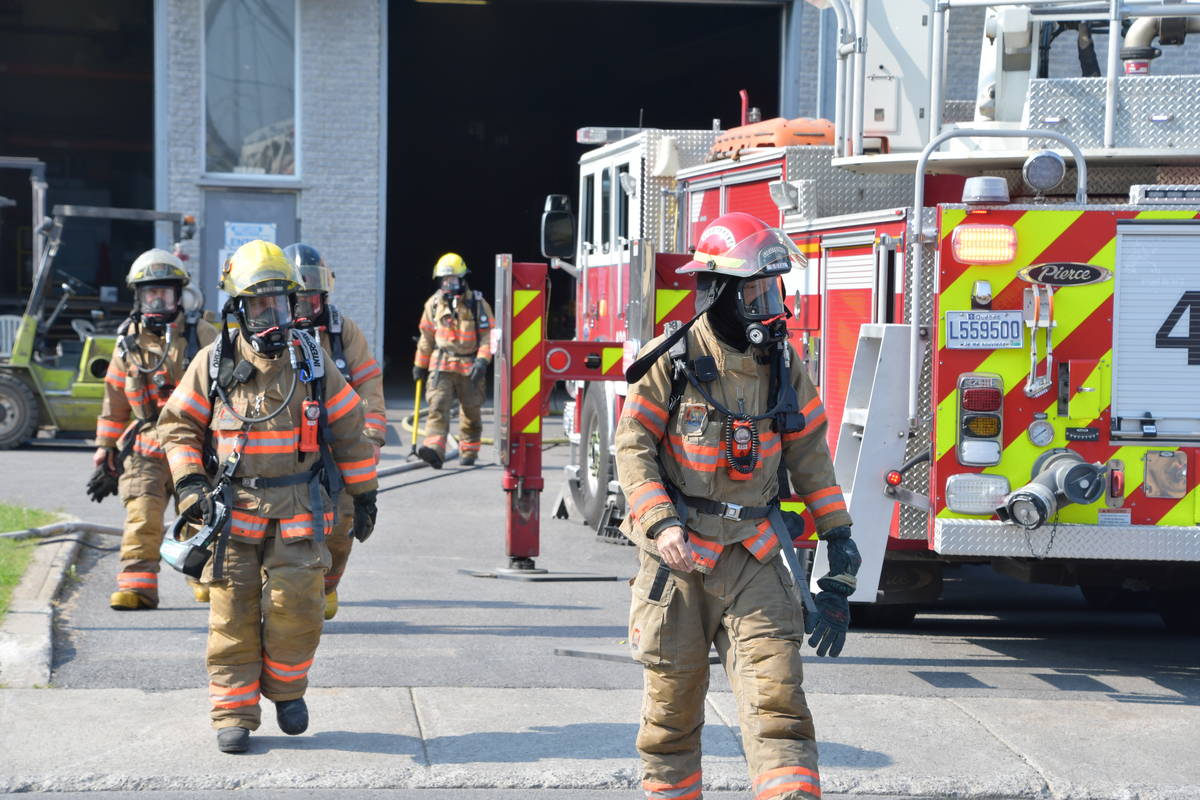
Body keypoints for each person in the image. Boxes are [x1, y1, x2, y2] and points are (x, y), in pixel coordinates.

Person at [616, 212, 861, 800]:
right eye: (756, 291)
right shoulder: (671, 362)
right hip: (677, 564)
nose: (769, 304)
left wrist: (837, 534)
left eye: (774, 289)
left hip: (754, 555)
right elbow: (632, 448)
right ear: (720, 292)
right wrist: (659, 522)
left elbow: (809, 455)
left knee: (778, 699)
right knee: (671, 715)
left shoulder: (783, 365)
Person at [157, 240, 378, 754]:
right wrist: (190, 483)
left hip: (299, 513)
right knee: (231, 614)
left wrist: (364, 495)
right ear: (237, 310)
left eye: (280, 303)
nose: (273, 315)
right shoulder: (212, 364)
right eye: (260, 305)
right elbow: (178, 428)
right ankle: (233, 710)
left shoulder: (313, 363)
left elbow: (348, 430)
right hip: (233, 515)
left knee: (298, 608)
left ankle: (286, 690)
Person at [92, 249, 217, 610]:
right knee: (141, 517)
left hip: (195, 445)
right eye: (150, 293)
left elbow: (225, 395)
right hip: (145, 447)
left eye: (164, 292)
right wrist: (105, 448)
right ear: (139, 297)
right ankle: (138, 587)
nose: (157, 300)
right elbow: (114, 400)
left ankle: (207, 580)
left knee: (201, 514)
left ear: (179, 296)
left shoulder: (203, 335)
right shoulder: (127, 343)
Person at [285, 242, 386, 620]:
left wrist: (372, 438)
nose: (303, 310)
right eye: (295, 301)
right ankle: (285, 593)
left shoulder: (345, 334)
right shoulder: (270, 337)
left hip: (337, 446)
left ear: (324, 295)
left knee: (342, 526)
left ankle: (327, 587)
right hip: (284, 448)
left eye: (311, 301)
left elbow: (369, 386)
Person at [412, 252, 494, 468]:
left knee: (471, 410)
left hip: (470, 366)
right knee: (437, 406)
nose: (448, 284)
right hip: (442, 364)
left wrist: (483, 361)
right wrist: (420, 364)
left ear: (463, 279)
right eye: (445, 280)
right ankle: (434, 450)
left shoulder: (477, 303)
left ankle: (469, 450)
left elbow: (488, 335)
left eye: (453, 280)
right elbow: (426, 336)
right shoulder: (434, 304)